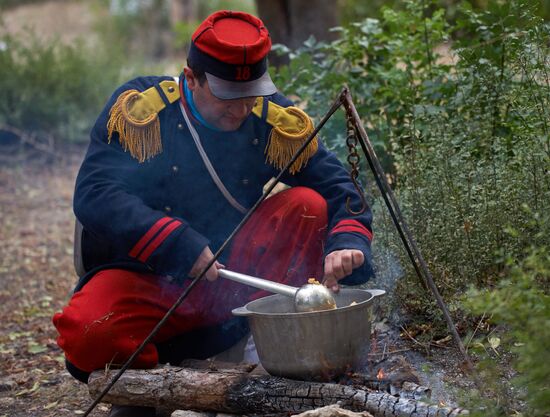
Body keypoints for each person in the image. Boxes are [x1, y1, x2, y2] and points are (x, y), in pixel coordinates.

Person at [52, 10, 374, 417]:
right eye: (226, 96)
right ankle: (149, 389)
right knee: (87, 332)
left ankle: (259, 354)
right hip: (148, 279)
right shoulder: (141, 114)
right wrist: (176, 244)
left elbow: (338, 186)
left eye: (250, 95)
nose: (240, 111)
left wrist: (346, 242)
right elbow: (95, 194)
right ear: (191, 79)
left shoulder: (269, 118)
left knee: (308, 206)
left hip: (232, 283)